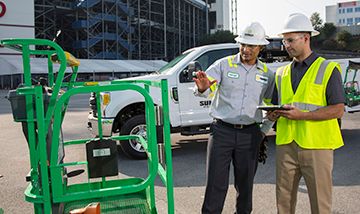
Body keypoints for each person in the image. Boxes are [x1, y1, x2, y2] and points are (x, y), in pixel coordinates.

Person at [193, 22, 275, 214]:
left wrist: (262, 131)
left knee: (245, 185)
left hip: (250, 134)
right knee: (215, 184)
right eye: (243, 44)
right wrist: (202, 88)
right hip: (221, 132)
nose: (246, 50)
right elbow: (206, 88)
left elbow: (273, 107)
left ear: (261, 48)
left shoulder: (267, 74)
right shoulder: (223, 64)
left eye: (251, 46)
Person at [269, 13, 345, 214]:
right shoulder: (281, 73)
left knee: (320, 204)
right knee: (283, 202)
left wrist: (302, 115)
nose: (287, 45)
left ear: (306, 38)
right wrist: (272, 114)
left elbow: (338, 109)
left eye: (291, 40)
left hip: (317, 145)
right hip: (286, 144)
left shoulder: (328, 69)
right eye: (284, 41)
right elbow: (275, 105)